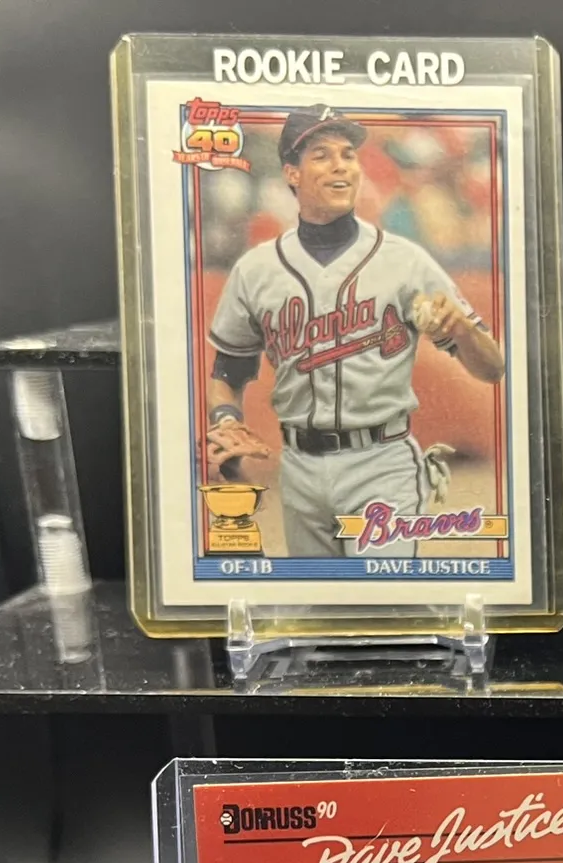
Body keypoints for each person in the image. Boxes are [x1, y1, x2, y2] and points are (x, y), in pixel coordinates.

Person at [203, 105, 504, 558]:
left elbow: (492, 368)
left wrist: (461, 329)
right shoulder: (255, 269)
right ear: (291, 173)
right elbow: (228, 371)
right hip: (299, 466)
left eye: (348, 154)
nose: (341, 165)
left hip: (381, 461)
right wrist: (226, 419)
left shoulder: (404, 260)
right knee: (319, 598)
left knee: (382, 593)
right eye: (322, 155)